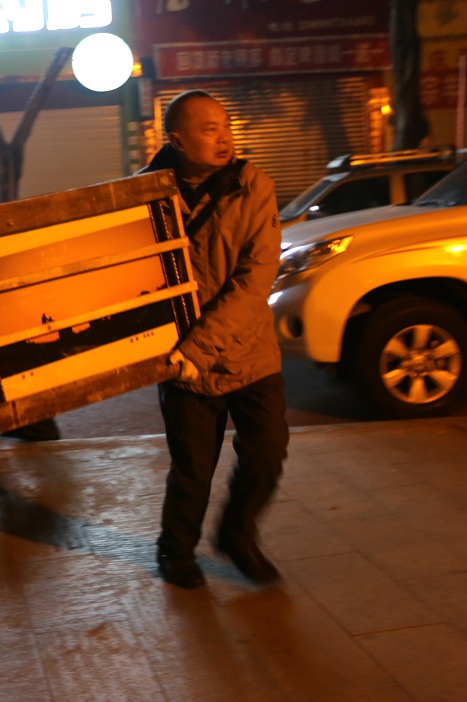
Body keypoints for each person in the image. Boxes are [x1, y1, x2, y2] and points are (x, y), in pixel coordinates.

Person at [137, 91, 290, 589]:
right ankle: (176, 551)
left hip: (248, 352)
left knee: (267, 453)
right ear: (178, 141)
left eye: (226, 126)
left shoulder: (252, 186)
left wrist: (197, 350)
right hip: (182, 364)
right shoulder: (143, 197)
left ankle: (236, 533)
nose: (224, 138)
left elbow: (254, 281)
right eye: (210, 129)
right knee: (192, 469)